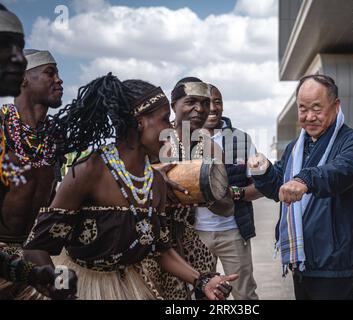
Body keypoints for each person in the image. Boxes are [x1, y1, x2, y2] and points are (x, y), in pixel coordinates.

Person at [23, 73, 237, 300]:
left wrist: (202, 280)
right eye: (165, 119)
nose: (170, 128)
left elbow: (161, 249)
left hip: (132, 288)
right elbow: (36, 249)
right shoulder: (90, 171)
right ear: (139, 121)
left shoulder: (154, 182)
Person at [248, 74, 353, 300]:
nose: (309, 116)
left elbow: (340, 171)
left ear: (336, 106)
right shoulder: (296, 146)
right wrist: (263, 170)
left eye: (317, 108)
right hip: (303, 260)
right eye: (303, 108)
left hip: (337, 263)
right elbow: (279, 188)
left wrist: (305, 180)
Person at [0, 6, 76, 300]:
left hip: (36, 253)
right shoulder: (3, 127)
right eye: (50, 73)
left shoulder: (56, 136)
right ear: (23, 79)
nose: (59, 80)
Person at [143, 77, 233, 299]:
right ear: (174, 105)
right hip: (154, 244)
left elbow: (227, 207)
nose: (199, 109)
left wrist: (206, 193)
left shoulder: (211, 147)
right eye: (191, 101)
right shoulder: (157, 140)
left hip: (193, 242)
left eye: (204, 103)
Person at [195, 84, 262, 300]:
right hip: (195, 235)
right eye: (207, 102)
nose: (213, 108)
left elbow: (259, 186)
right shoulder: (182, 140)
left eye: (218, 102)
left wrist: (233, 193)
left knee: (245, 295)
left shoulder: (242, 140)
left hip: (233, 231)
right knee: (200, 296)